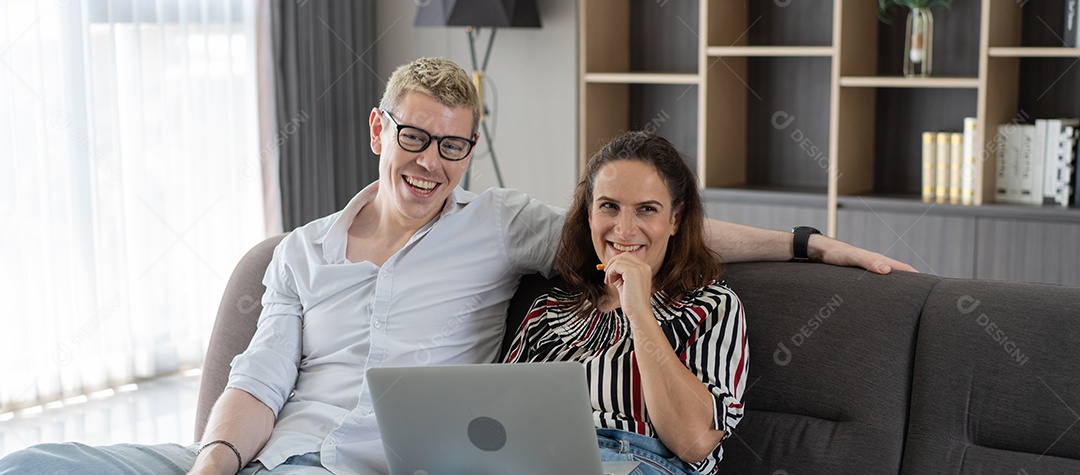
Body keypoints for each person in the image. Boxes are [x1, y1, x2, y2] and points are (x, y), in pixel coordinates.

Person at [0, 57, 912, 475]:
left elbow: (640, 233)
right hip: (263, 455)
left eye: (454, 145)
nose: (431, 162)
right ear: (379, 132)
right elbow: (257, 378)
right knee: (40, 461)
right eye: (414, 138)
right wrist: (214, 461)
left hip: (371, 466)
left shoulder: (507, 228)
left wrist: (807, 243)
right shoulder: (303, 252)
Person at [505, 131, 745, 475]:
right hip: (541, 460)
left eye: (647, 210)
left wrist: (639, 310)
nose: (625, 229)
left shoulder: (710, 306)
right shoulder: (549, 310)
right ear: (589, 214)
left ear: (675, 219)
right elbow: (498, 418)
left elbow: (693, 441)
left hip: (642, 462)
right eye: (609, 207)